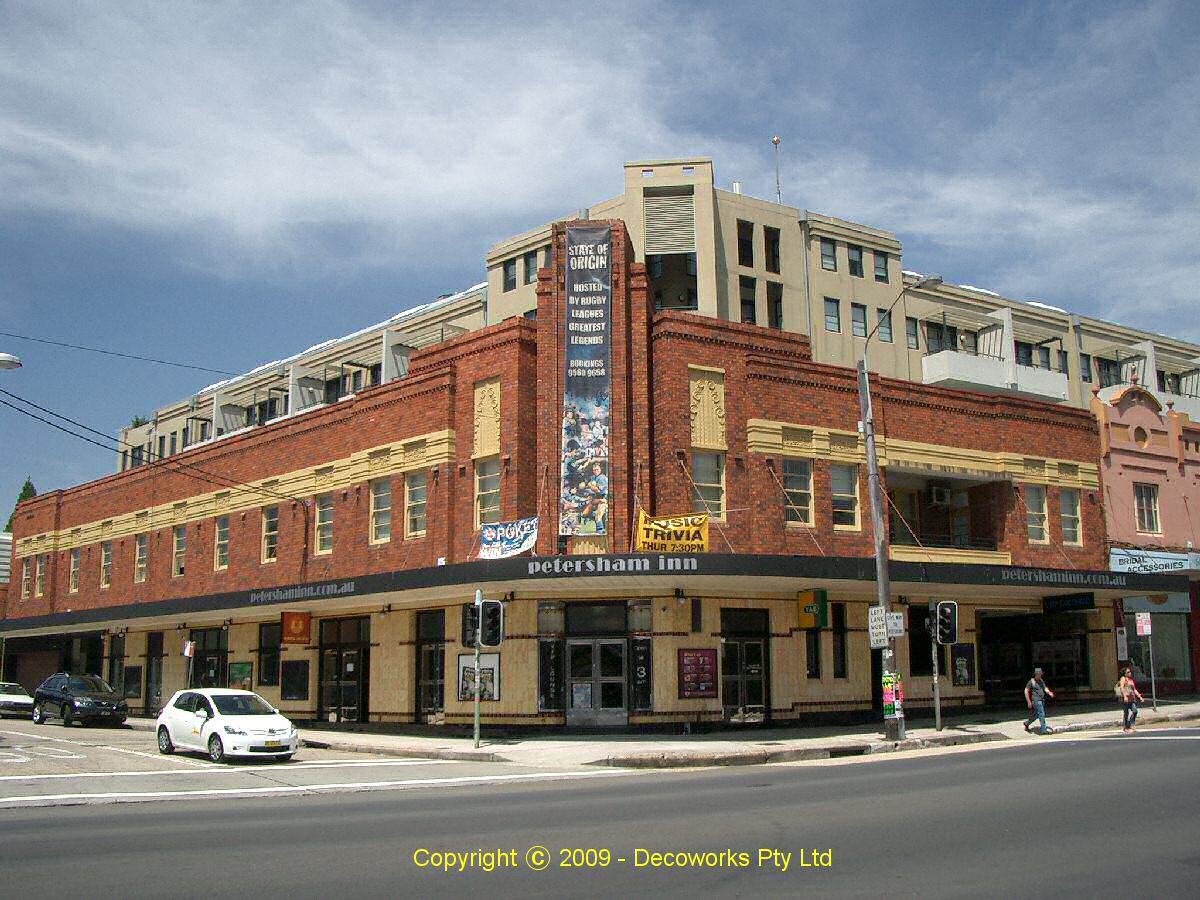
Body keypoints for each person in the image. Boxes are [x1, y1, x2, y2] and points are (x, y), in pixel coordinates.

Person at [1023, 667, 1055, 734]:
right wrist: (1028, 701)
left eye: (1041, 674)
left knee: (1036, 715)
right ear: (1036, 674)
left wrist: (1049, 692)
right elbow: (1026, 691)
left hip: (1041, 700)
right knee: (1041, 714)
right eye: (1039, 674)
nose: (1040, 675)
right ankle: (1044, 730)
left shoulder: (1041, 681)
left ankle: (1026, 723)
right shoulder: (1031, 681)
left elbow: (1045, 688)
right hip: (1036, 701)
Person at [1118, 666, 1144, 733]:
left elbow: (1134, 690)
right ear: (1125, 673)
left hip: (1132, 699)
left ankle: (1130, 725)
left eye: (1130, 672)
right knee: (1126, 713)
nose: (1130, 673)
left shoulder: (1131, 680)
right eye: (1128, 672)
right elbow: (1121, 688)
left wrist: (1140, 697)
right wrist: (1125, 696)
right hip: (1126, 699)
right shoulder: (1123, 679)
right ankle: (1126, 727)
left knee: (1135, 711)